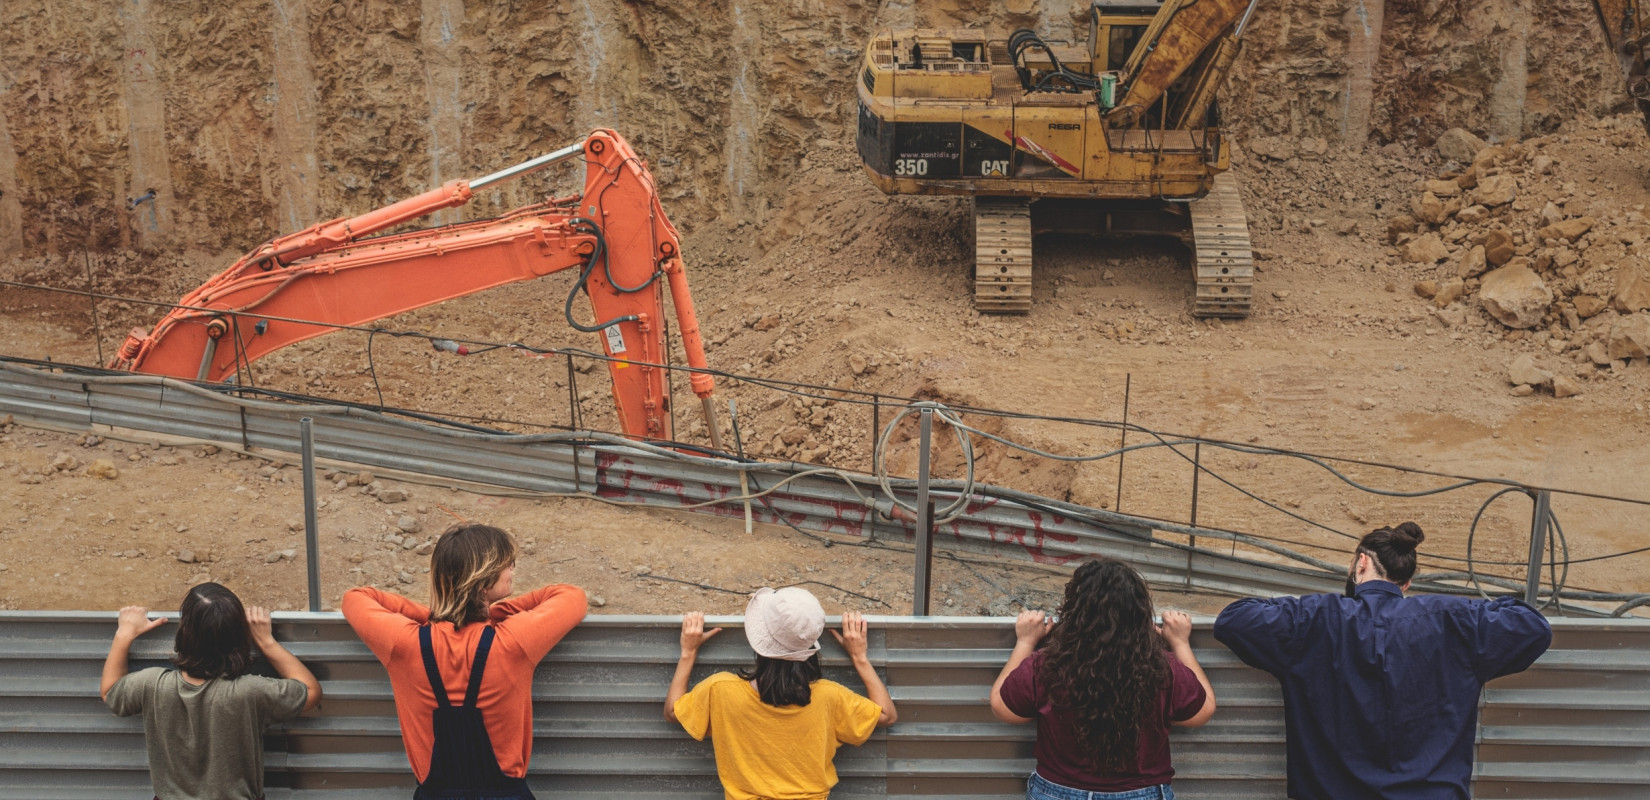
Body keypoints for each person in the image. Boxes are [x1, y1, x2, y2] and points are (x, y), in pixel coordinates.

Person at [1214, 522, 1553, 800]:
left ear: (1361, 562)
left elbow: (1234, 620)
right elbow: (1533, 627)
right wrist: (1466, 608)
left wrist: (1301, 608)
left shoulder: (1316, 618)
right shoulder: (1451, 620)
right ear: (1406, 583)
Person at [343, 523, 587, 800]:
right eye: (509, 564)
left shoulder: (405, 644)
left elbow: (357, 598)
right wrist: (495, 613)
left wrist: (434, 616)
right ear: (483, 581)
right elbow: (572, 596)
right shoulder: (513, 642)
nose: (512, 571)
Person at [989, 558, 1216, 800]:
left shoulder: (1047, 664)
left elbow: (1004, 710)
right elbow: (1202, 712)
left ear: (1074, 610)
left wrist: (1025, 642)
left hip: (1057, 792)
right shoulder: (1161, 667)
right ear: (1140, 614)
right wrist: (1180, 643)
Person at [664, 587, 897, 800]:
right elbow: (887, 715)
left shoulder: (721, 689)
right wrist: (859, 657)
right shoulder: (829, 697)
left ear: (758, 641)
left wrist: (688, 652)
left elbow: (674, 712)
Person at [102, 582, 322, 800]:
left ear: (183, 633)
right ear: (241, 636)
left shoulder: (152, 684)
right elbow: (311, 691)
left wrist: (124, 634)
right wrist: (266, 641)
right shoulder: (250, 691)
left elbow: (111, 692)